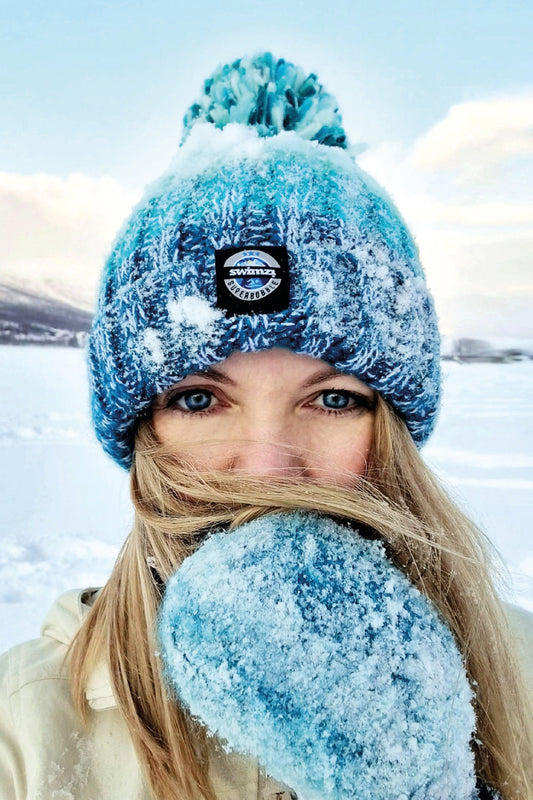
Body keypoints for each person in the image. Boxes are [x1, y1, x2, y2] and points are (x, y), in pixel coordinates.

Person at [0, 53, 532, 800]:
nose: (266, 468)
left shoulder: (519, 671)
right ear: (142, 431)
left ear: (393, 432)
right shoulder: (25, 727)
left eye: (332, 399)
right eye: (199, 399)